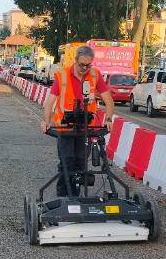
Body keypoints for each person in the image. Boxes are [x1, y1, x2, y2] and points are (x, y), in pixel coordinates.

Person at [41, 46, 115, 197]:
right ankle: (64, 197)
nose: (85, 68)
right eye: (82, 64)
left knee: (81, 163)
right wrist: (46, 121)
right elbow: (50, 102)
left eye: (88, 65)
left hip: (85, 127)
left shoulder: (95, 75)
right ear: (76, 61)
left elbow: (109, 100)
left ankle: (76, 195)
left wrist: (108, 119)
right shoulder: (62, 75)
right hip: (64, 127)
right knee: (66, 162)